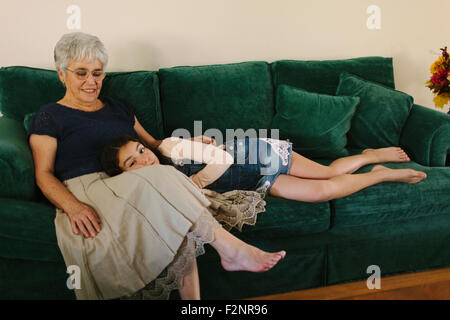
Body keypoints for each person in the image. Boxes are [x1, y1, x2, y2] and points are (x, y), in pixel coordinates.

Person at [27, 32, 286, 300]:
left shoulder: (119, 108)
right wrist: (73, 207)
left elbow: (152, 143)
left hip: (132, 181)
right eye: (81, 73)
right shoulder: (50, 116)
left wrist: (191, 143)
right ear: (61, 74)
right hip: (88, 190)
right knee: (164, 181)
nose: (91, 82)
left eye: (97, 73)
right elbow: (43, 174)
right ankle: (231, 250)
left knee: (173, 209)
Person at [98, 133, 428, 203]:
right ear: (124, 175)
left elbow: (223, 159)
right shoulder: (150, 185)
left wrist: (195, 184)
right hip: (254, 180)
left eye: (141, 150)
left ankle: (370, 157)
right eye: (132, 161)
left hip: (259, 155)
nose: (145, 159)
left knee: (328, 173)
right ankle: (377, 175)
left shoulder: (170, 148)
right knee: (322, 193)